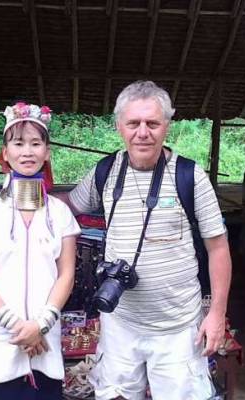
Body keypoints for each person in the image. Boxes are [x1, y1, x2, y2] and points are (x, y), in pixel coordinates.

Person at [67, 81, 232, 400]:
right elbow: (68, 207)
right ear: (119, 127)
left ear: (166, 126)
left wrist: (216, 314)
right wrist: (23, 195)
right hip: (120, 325)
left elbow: (219, 248)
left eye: (152, 123)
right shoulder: (104, 172)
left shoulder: (190, 176)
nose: (143, 132)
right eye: (133, 123)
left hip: (178, 328)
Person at [0, 102, 81, 400]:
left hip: (43, 340)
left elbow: (66, 275)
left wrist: (40, 325)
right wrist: (20, 328)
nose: (27, 152)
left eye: (36, 143)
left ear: (47, 152)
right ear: (5, 152)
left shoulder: (60, 214)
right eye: (18, 143)